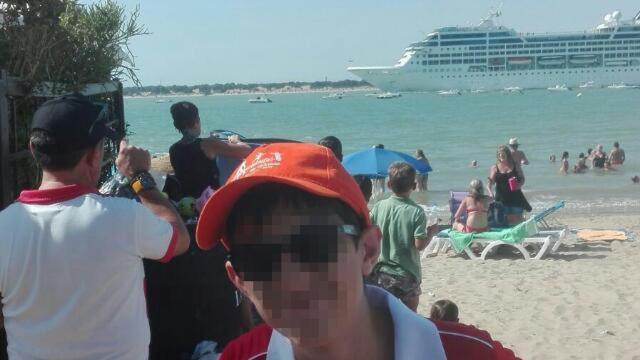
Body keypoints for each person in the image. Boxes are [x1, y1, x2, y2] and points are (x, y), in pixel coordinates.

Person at [193, 143, 519, 360]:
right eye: (258, 260)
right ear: (238, 280)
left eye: (314, 246)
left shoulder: (466, 353)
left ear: (367, 250)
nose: (291, 278)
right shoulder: (243, 356)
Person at [0, 95, 190, 359]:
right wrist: (140, 177)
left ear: (34, 150)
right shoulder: (123, 218)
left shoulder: (4, 227)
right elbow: (179, 238)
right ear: (94, 154)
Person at [369, 162, 438, 311]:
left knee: (384, 316)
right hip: (407, 273)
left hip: (381, 272)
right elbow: (419, 245)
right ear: (414, 186)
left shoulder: (379, 207)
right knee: (410, 316)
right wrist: (431, 232)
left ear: (388, 184)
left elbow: (369, 230)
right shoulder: (416, 212)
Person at [169, 101, 251, 199]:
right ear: (196, 121)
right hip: (209, 201)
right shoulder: (208, 144)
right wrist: (235, 141)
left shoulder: (173, 149)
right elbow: (246, 150)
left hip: (188, 203)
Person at [487, 145, 532, 225]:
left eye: (503, 155)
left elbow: (522, 179)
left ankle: (521, 234)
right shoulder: (495, 167)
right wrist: (490, 193)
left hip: (516, 196)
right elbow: (490, 183)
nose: (501, 157)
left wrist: (518, 185)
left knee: (518, 218)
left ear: (507, 154)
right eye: (499, 155)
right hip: (501, 199)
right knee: (505, 220)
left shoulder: (515, 165)